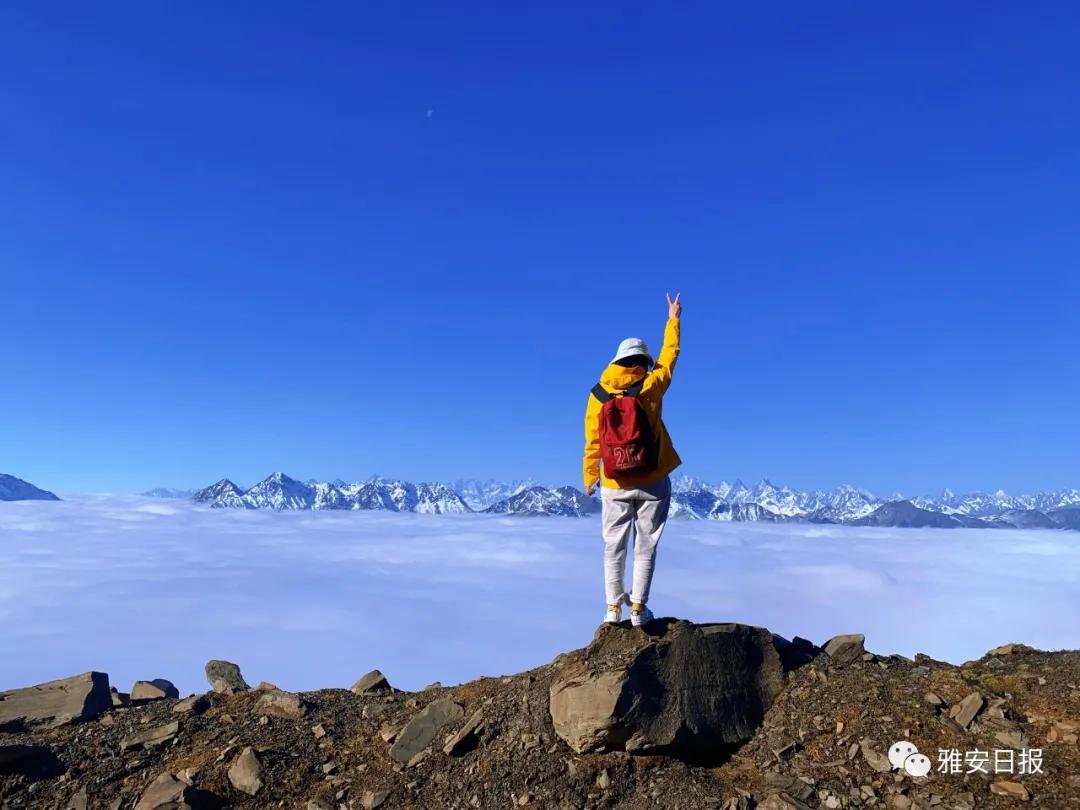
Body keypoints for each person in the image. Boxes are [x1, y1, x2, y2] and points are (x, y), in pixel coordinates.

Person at [583, 292, 682, 626]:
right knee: (646, 544)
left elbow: (593, 439)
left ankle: (613, 608)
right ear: (642, 361)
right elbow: (669, 358)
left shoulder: (598, 394)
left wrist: (589, 476)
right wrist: (673, 320)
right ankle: (638, 608)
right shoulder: (651, 385)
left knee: (614, 545)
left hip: (614, 480)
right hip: (653, 478)